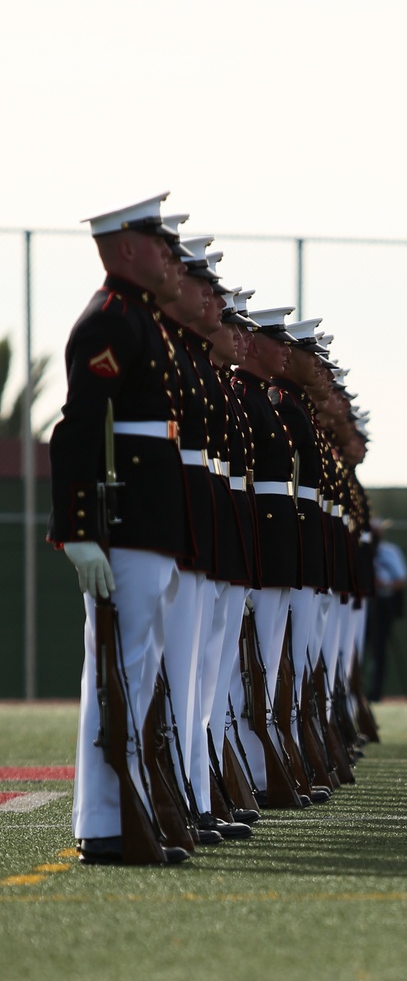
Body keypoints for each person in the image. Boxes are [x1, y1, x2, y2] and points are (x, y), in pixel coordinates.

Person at [48, 193, 195, 866]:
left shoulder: (142, 322)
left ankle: (122, 815)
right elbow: (78, 427)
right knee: (120, 672)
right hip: (128, 522)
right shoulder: (111, 321)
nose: (169, 257)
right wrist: (77, 529)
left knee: (136, 669)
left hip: (150, 521)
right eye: (160, 245)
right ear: (127, 249)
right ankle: (109, 823)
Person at [368, 520, 407, 701]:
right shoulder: (358, 550)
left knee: (379, 649)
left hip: (383, 605)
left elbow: (402, 581)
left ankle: (375, 691)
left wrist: (384, 584)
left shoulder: (390, 551)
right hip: (362, 605)